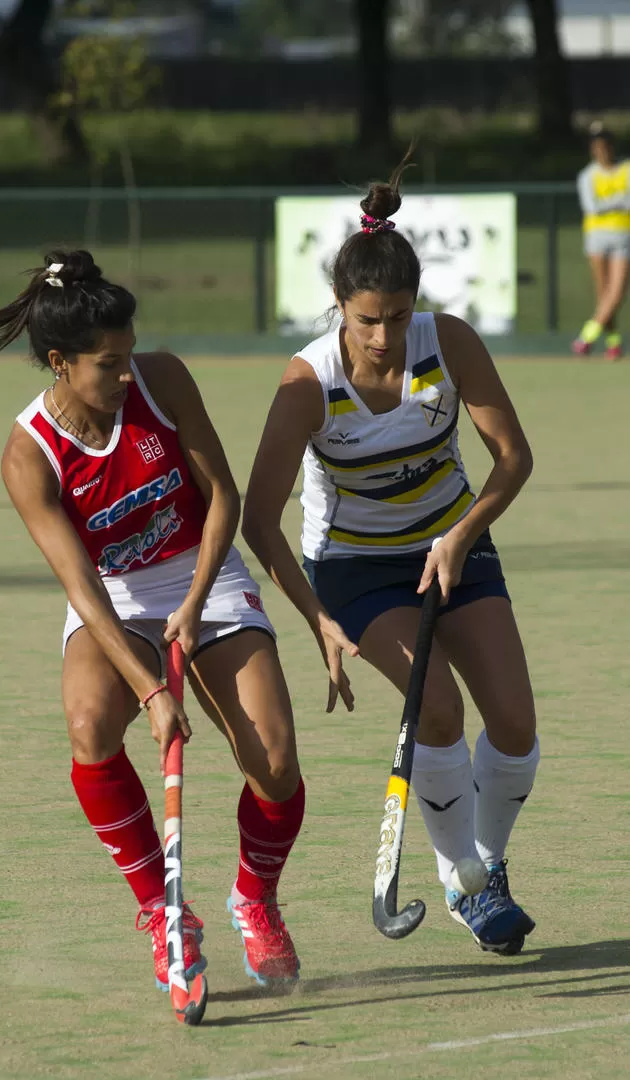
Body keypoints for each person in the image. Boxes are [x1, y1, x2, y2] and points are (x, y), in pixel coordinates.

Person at [0, 251, 305, 991]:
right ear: (60, 362)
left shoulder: (162, 380)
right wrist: (150, 688)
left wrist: (198, 604)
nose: (127, 374)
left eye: (129, 354)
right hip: (118, 599)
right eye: (109, 364)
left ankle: (255, 900)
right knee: (89, 725)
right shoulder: (27, 456)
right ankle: (164, 917)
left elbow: (222, 497)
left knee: (274, 759)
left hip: (203, 571)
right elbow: (81, 585)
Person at [242, 161, 539, 956]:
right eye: (367, 319)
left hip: (454, 538)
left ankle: (490, 863)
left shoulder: (450, 344)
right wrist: (319, 622)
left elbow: (513, 458)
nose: (383, 337)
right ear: (341, 307)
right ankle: (464, 885)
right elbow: (256, 516)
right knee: (438, 707)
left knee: (513, 724)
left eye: (398, 316)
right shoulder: (310, 383)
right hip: (354, 567)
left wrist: (461, 533)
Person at [573, 122, 630, 360]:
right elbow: (591, 207)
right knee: (603, 294)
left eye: (605, 146)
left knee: (616, 293)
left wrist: (609, 203)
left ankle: (586, 336)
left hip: (623, 236)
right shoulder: (587, 175)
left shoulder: (626, 169)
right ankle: (614, 343)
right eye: (597, 147)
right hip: (596, 238)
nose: (602, 151)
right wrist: (619, 200)